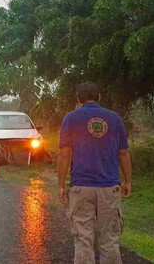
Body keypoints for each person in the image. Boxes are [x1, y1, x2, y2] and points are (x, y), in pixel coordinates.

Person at [58, 82, 132, 264]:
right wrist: (128, 181)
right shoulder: (114, 118)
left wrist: (61, 185)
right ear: (99, 97)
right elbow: (123, 153)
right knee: (110, 241)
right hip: (109, 188)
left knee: (83, 240)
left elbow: (64, 154)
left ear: (78, 99)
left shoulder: (70, 118)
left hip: (81, 187)